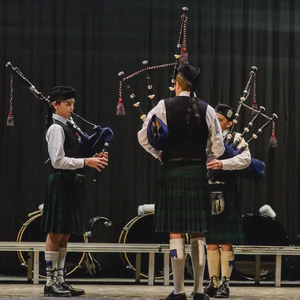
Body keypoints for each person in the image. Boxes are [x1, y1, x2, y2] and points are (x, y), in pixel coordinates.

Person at [138, 64, 225, 300]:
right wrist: (202, 157)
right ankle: (198, 291)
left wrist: (159, 154)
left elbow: (144, 137)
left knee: (175, 232)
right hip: (197, 172)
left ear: (177, 84)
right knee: (198, 232)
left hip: (172, 172)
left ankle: (178, 292)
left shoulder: (162, 106)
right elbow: (218, 147)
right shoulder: (207, 109)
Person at [40, 86, 109, 297]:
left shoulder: (69, 127)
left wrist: (94, 155)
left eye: (73, 104)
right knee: (55, 232)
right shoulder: (56, 129)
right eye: (67, 104)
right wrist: (86, 161)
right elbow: (58, 161)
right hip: (61, 181)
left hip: (72, 183)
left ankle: (61, 279)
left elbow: (75, 153)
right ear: (55, 104)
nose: (71, 108)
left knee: (66, 232)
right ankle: (50, 281)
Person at [205, 103, 251, 298]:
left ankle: (225, 282)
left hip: (227, 191)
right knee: (211, 241)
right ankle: (213, 281)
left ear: (229, 123)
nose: (215, 122)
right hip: (207, 190)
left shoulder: (236, 139)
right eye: (214, 118)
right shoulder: (205, 138)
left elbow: (246, 160)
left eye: (220, 120)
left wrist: (223, 164)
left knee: (226, 242)